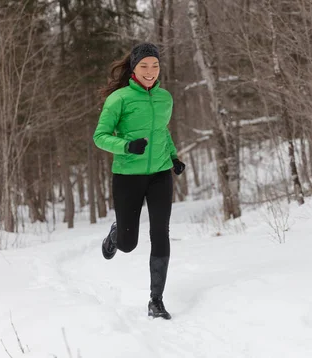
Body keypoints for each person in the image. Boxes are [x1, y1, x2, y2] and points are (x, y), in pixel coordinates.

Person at [93, 43, 185, 320]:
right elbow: (100, 136)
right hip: (128, 177)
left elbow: (162, 131)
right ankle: (117, 231)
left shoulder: (165, 98)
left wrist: (173, 156)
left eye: (155, 66)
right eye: (144, 66)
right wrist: (126, 146)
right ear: (133, 68)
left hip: (159, 174)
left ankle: (156, 301)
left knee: (160, 233)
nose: (150, 72)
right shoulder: (119, 99)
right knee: (127, 243)